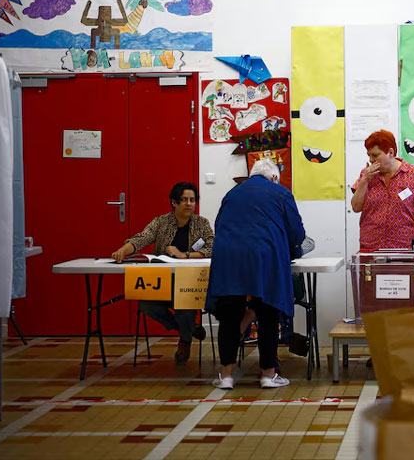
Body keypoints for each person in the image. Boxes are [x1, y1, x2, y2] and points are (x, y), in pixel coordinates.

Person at [207, 159, 307, 390]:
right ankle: (268, 375)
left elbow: (219, 225)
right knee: (268, 315)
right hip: (264, 259)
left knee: (229, 317)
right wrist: (293, 250)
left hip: (228, 260)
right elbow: (297, 233)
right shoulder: (280, 193)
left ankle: (227, 376)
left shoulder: (232, 194)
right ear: (273, 177)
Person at [111, 182, 212, 364]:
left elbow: (212, 247)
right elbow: (142, 238)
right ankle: (187, 330)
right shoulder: (161, 222)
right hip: (162, 280)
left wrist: (185, 255)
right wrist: (123, 251)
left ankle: (185, 340)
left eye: (192, 200)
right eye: (184, 200)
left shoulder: (201, 223)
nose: (189, 204)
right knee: (146, 305)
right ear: (174, 202)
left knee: (186, 308)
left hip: (189, 282)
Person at [350, 130, 414, 252]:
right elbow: (356, 207)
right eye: (369, 155)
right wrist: (364, 180)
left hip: (404, 246)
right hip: (371, 245)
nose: (371, 159)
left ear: (390, 152)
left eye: (375, 155)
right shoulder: (366, 174)